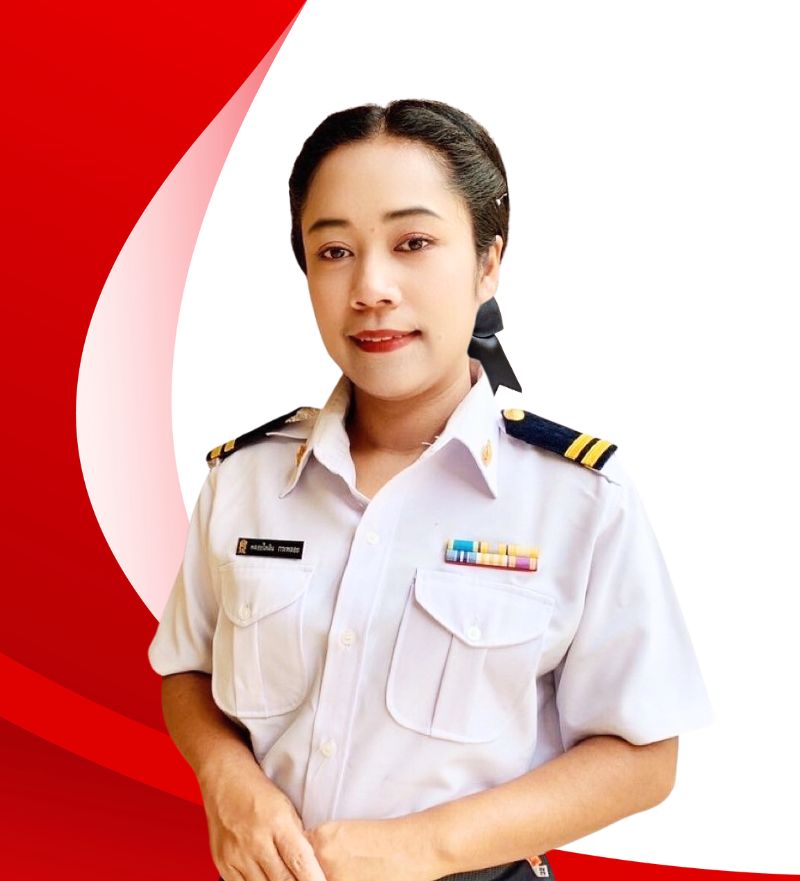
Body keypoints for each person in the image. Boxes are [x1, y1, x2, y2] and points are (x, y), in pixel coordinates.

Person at [148, 98, 713, 881]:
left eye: (412, 243)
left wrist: (423, 846)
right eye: (334, 250)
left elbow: (643, 754)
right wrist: (227, 779)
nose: (371, 287)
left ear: (488, 263)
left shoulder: (578, 498)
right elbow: (188, 669)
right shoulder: (244, 481)